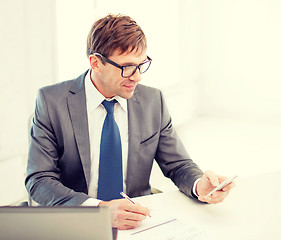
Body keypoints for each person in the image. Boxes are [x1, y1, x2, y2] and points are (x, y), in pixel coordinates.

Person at [25, 14, 235, 230]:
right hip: (78, 223)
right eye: (127, 67)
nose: (137, 77)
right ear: (95, 63)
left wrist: (199, 185)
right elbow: (39, 180)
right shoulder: (52, 102)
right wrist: (100, 211)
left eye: (141, 64)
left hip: (138, 224)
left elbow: (177, 165)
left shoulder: (153, 101)